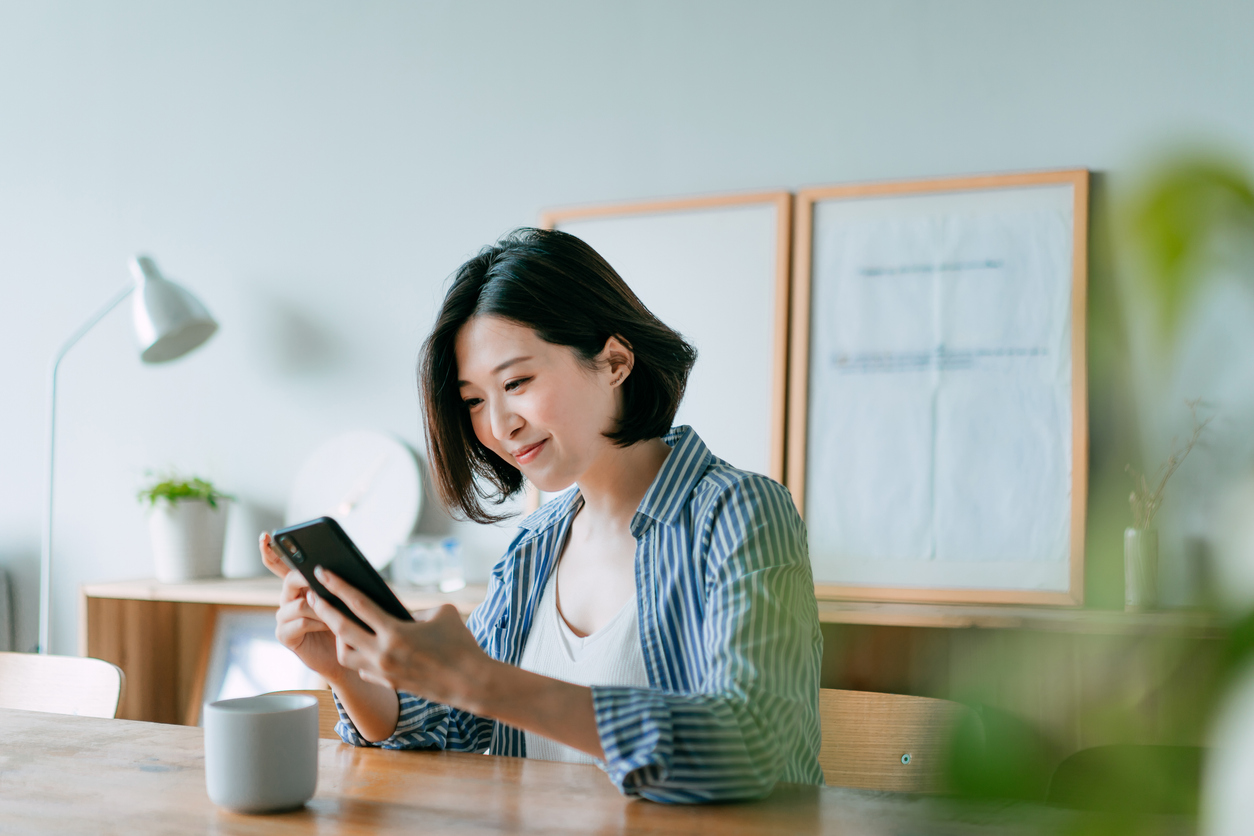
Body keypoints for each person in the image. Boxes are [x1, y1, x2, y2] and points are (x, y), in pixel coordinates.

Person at [260, 228, 823, 802]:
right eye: (475, 400)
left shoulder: (739, 513)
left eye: (517, 382)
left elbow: (750, 746)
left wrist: (483, 682)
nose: (499, 425)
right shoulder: (535, 544)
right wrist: (345, 671)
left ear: (614, 361)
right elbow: (446, 724)